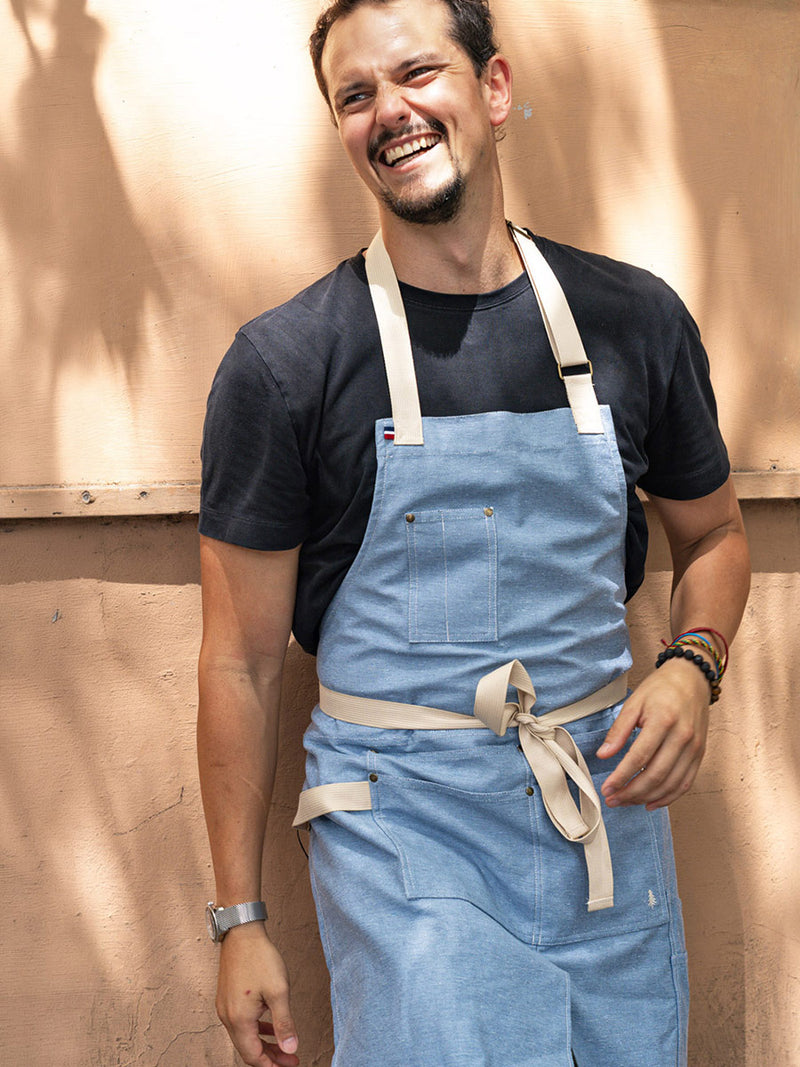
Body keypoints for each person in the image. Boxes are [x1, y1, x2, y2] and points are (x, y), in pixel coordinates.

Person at [197, 1, 751, 1064]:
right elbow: (239, 664)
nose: (388, 111)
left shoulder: (634, 321)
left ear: (493, 90)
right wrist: (240, 920)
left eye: (416, 73)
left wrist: (690, 663)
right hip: (402, 836)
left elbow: (717, 533)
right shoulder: (285, 365)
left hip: (605, 814)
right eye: (354, 95)